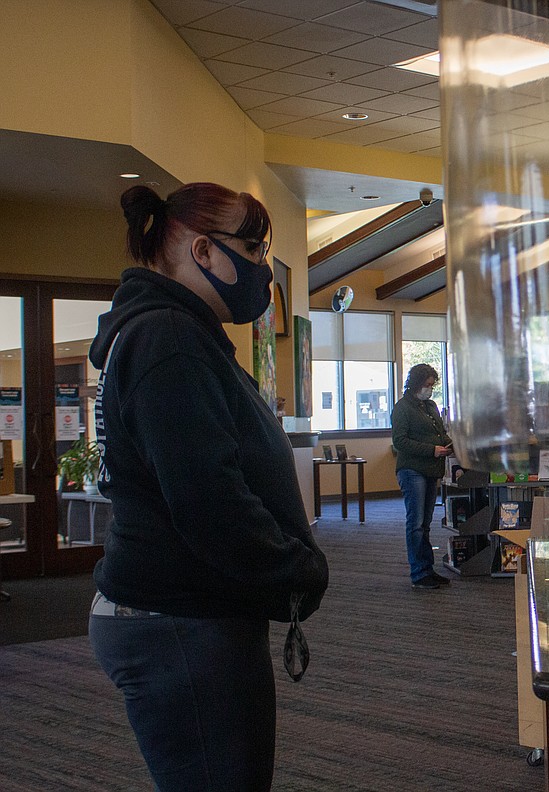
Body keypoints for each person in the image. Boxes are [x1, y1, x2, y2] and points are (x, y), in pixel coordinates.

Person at [88, 182, 329, 791]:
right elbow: (207, 499)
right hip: (180, 623)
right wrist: (295, 572)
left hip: (195, 615)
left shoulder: (187, 334)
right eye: (252, 250)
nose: (263, 272)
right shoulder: (167, 338)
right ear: (201, 251)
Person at [392, 363, 454, 589]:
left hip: (430, 469)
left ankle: (427, 569)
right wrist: (432, 450)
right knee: (416, 523)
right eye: (427, 385)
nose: (430, 389)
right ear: (417, 383)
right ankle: (419, 573)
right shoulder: (402, 408)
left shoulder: (430, 406)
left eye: (432, 385)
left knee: (425, 524)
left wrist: (449, 444)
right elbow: (400, 441)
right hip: (412, 470)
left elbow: (440, 433)